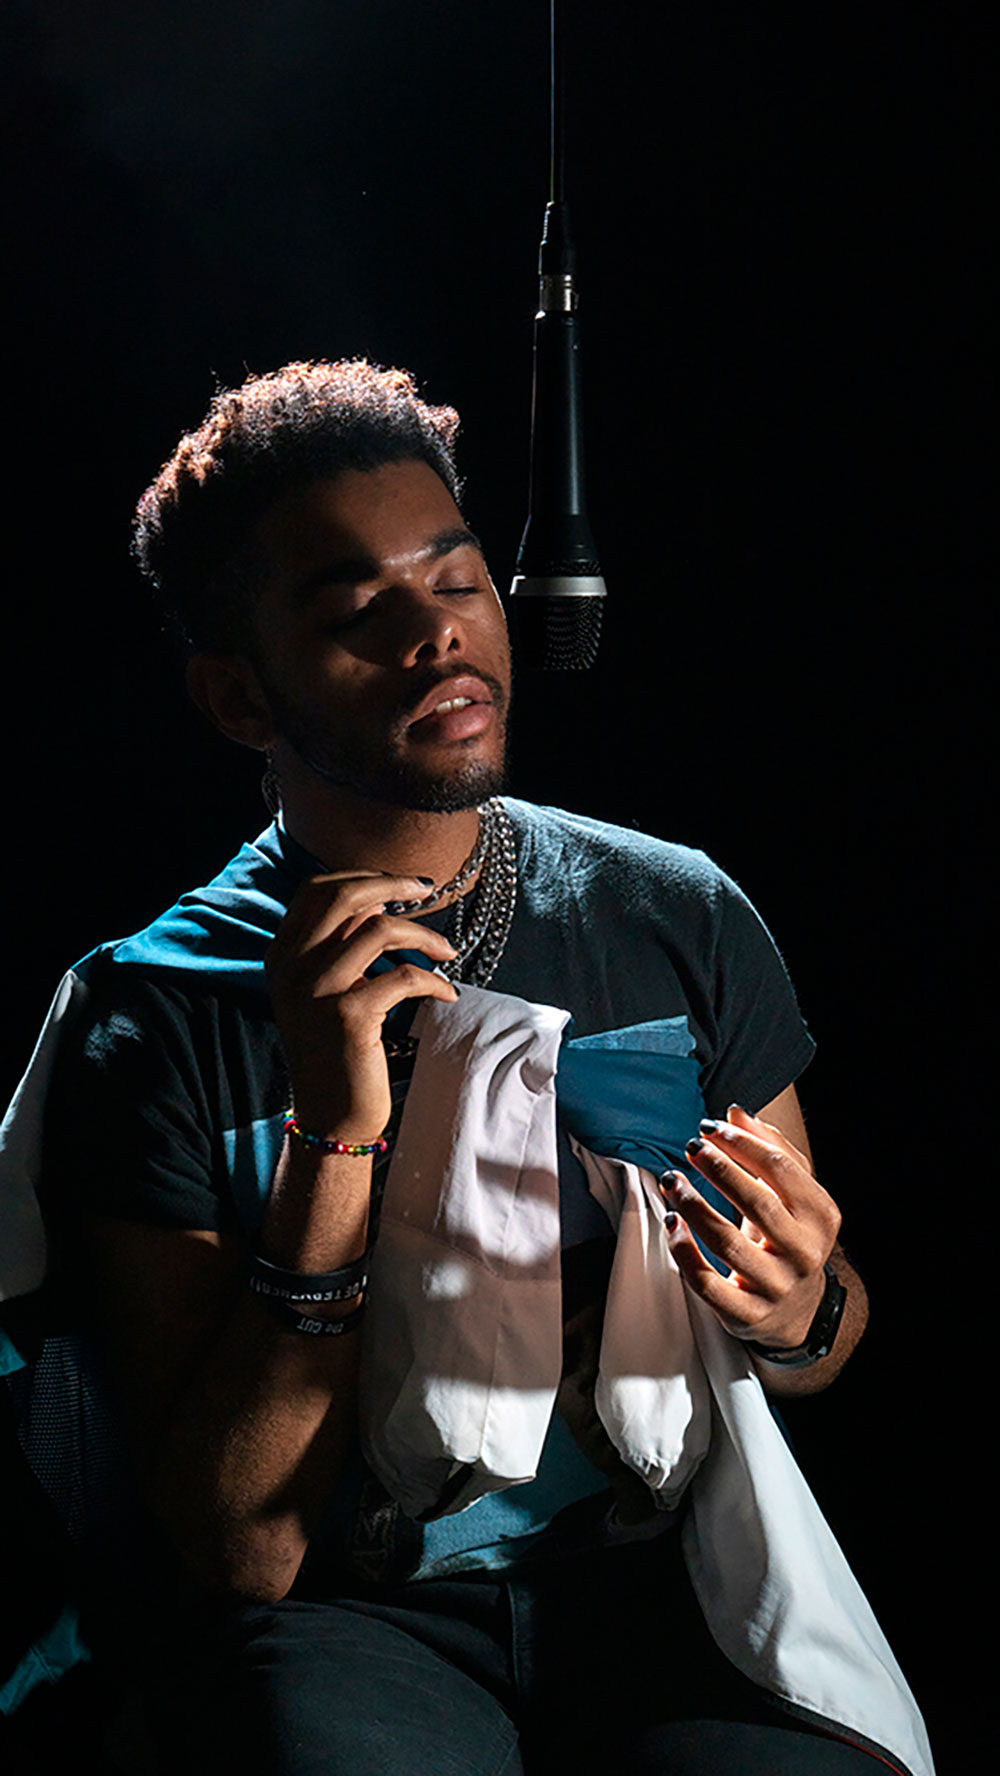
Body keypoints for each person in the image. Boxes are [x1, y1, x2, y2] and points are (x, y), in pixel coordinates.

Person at [15, 360, 931, 1776]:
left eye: (454, 581)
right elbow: (240, 1548)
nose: (436, 639)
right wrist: (333, 1135)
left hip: (654, 1577)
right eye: (355, 613)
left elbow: (815, 1334)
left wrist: (801, 1309)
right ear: (239, 698)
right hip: (350, 1614)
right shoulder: (152, 1012)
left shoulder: (672, 912)